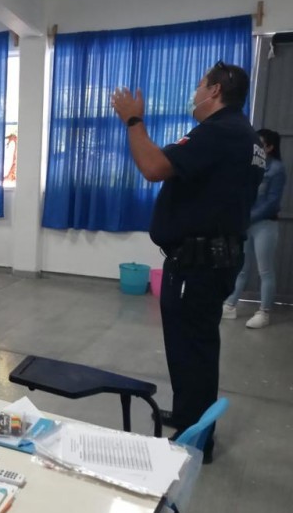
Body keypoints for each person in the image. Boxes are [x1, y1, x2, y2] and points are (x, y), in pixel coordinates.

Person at [111, 61, 265, 461]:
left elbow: (153, 167)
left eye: (199, 86)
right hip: (214, 259)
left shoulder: (218, 132)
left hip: (198, 264)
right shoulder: (246, 137)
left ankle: (197, 440)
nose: (194, 93)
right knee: (195, 347)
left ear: (215, 91)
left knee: (191, 351)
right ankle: (188, 416)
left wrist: (133, 121)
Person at [223, 128, 287, 329]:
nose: (255, 147)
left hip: (264, 225)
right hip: (245, 223)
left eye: (260, 143)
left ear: (270, 147)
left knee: (265, 270)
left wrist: (248, 218)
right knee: (241, 268)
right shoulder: (252, 165)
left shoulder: (277, 169)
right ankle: (230, 305)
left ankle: (264, 312)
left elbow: (272, 203)